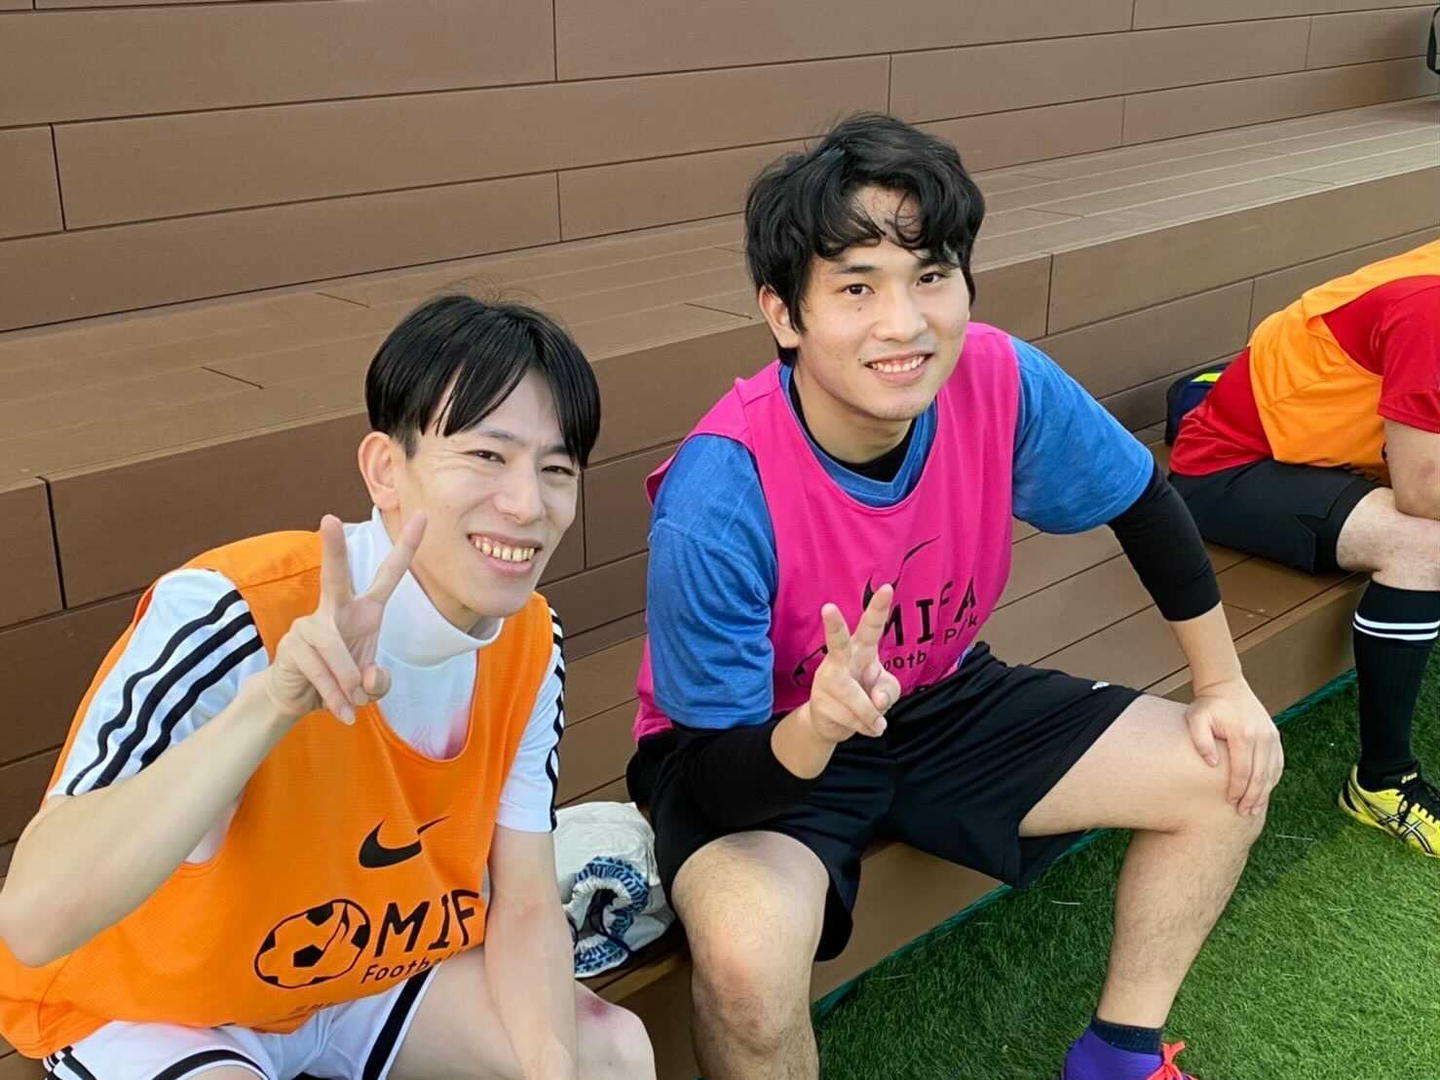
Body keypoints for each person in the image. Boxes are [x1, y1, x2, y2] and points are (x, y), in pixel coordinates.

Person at [625, 113, 1284, 1080]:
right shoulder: (719, 494)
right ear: (784, 314)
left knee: (1229, 769)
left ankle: (1119, 1060)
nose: (905, 323)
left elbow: (1142, 500)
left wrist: (1222, 685)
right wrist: (816, 725)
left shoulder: (996, 375)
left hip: (935, 695)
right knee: (745, 970)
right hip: (755, 747)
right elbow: (719, 774)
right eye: (857, 287)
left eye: (930, 276)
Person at [0, 296, 655, 1080]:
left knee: (608, 1053)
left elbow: (524, 903)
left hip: (355, 977)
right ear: (385, 469)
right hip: (160, 1002)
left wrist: (550, 1069)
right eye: (488, 455)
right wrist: (273, 703)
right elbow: (33, 920)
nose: (527, 504)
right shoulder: (232, 611)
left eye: (556, 469)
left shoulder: (528, 641)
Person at [1170, 240, 1440, 857]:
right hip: (1230, 468)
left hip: (1330, 451)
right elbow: (1424, 493)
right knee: (1427, 544)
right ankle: (1382, 782)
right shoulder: (1430, 310)